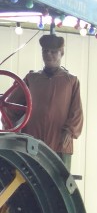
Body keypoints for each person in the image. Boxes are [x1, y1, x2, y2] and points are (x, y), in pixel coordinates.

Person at [17, 33, 83, 170]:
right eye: (45, 51)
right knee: (28, 181)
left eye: (53, 52)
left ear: (62, 53)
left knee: (58, 183)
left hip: (59, 143)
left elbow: (76, 111)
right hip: (31, 141)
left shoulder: (71, 81)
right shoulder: (31, 78)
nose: (48, 55)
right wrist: (13, 128)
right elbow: (12, 104)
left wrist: (70, 131)